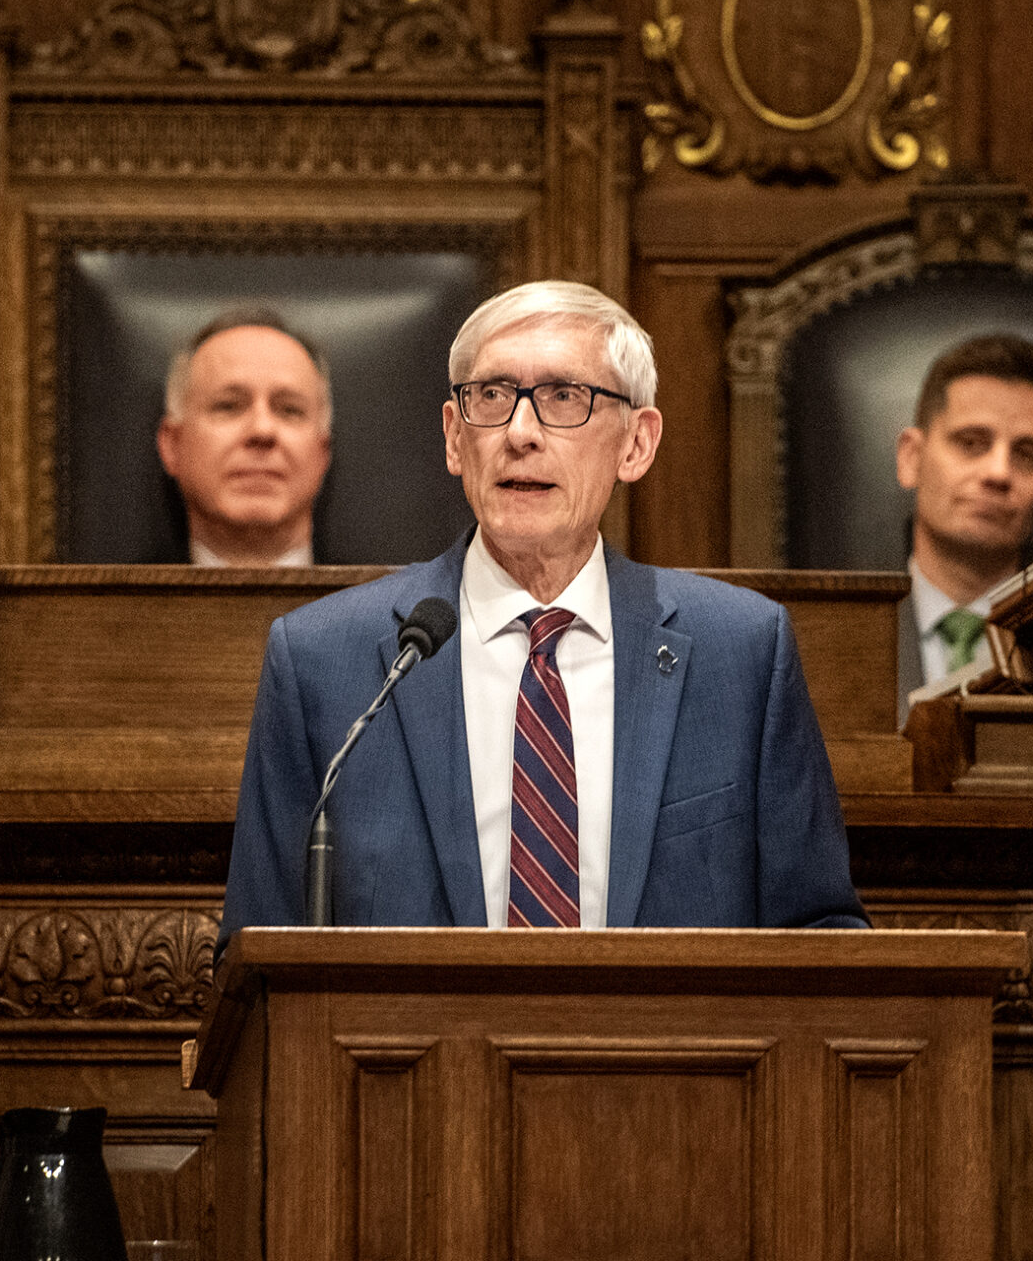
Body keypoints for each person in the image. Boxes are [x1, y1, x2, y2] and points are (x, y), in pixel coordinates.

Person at [220, 280, 864, 937]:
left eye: (564, 397)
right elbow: (252, 951)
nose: (520, 432)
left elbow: (819, 931)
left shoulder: (744, 652)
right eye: (492, 397)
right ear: (453, 437)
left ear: (636, 443)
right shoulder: (324, 660)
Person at [892, 333, 1033, 712]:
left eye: (1026, 453)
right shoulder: (836, 639)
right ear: (911, 458)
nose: (999, 473)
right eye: (971, 443)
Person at [156, 308, 333, 566]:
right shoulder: (105, 606)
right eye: (228, 406)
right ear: (172, 445)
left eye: (289, 410)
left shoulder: (395, 606)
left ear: (323, 452)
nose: (262, 430)